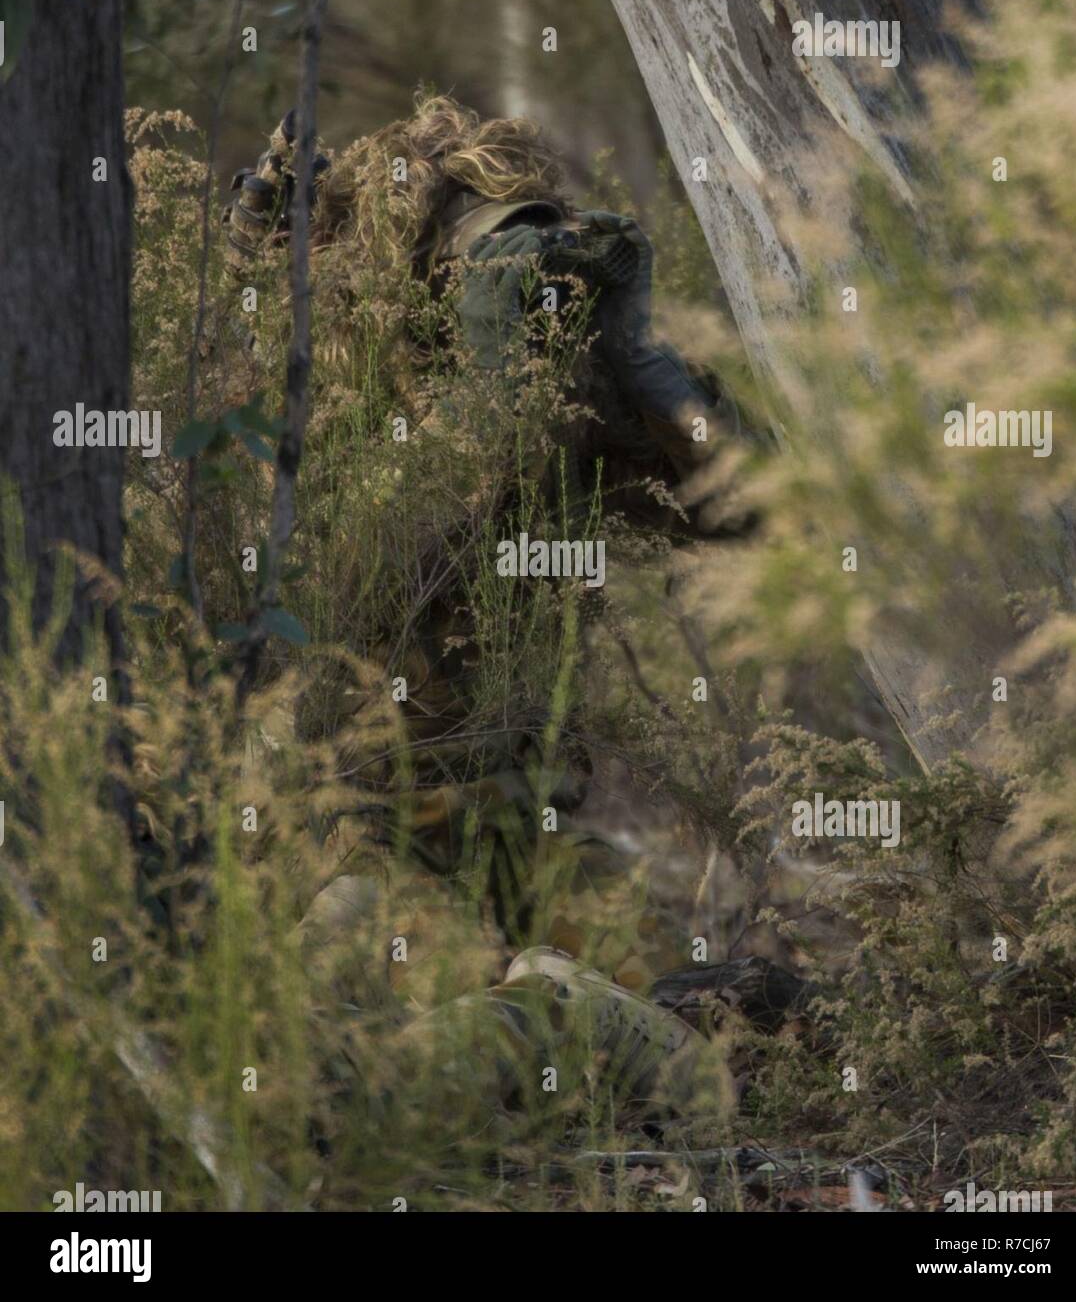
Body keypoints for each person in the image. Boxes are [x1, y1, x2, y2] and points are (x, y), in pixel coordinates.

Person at [223, 93, 742, 1121]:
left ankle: (568, 1012)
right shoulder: (376, 379)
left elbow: (756, 504)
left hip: (477, 824)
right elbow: (393, 528)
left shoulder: (537, 370)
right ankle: (564, 1013)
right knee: (299, 1044)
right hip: (362, 818)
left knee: (688, 1073)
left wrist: (637, 359)